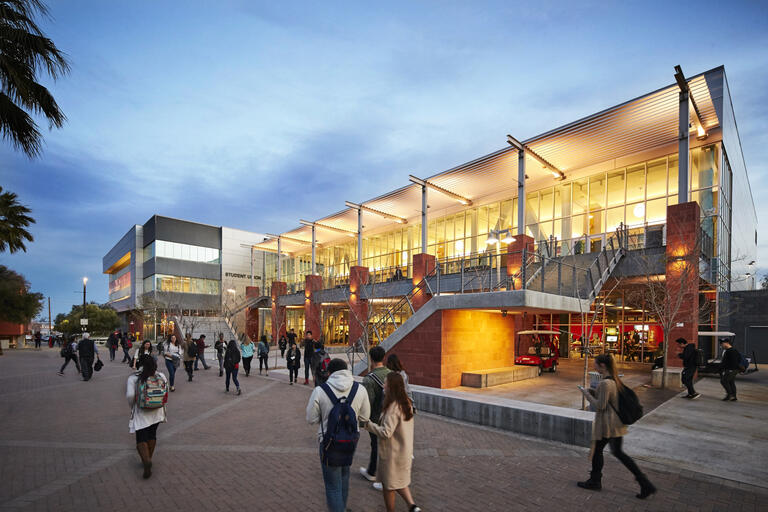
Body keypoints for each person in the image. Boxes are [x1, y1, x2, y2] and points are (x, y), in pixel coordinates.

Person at [577, 354, 656, 499]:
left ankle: (595, 481)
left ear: (602, 366)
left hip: (608, 424)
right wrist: (594, 392)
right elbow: (608, 398)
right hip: (616, 424)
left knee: (598, 451)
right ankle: (644, 483)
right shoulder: (614, 380)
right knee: (618, 453)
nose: (593, 366)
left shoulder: (605, 383)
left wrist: (586, 394)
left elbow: (600, 405)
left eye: (595, 364)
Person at [306, 358, 371, 512]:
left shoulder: (320, 390)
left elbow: (311, 419)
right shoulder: (359, 389)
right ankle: (342, 507)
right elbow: (365, 417)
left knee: (332, 486)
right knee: (344, 476)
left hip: (328, 442)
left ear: (329, 373)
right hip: (350, 440)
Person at [362, 372, 421, 512]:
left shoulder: (394, 407)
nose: (384, 385)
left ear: (392, 386)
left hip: (392, 455)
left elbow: (386, 432)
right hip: (403, 452)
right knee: (400, 482)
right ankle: (413, 507)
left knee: (389, 487)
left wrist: (368, 424)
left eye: (386, 383)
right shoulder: (406, 402)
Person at [126, 354, 167, 479]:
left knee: (141, 437)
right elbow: (166, 392)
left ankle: (146, 460)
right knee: (152, 434)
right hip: (158, 410)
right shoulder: (161, 376)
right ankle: (149, 457)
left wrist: (133, 406)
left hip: (142, 410)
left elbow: (130, 396)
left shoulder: (134, 378)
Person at [360, 346, 392, 487]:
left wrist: (363, 421)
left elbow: (367, 402)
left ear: (371, 358)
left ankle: (373, 472)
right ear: (383, 357)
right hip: (391, 416)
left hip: (375, 418)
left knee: (375, 445)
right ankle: (378, 471)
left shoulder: (369, 379)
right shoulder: (392, 374)